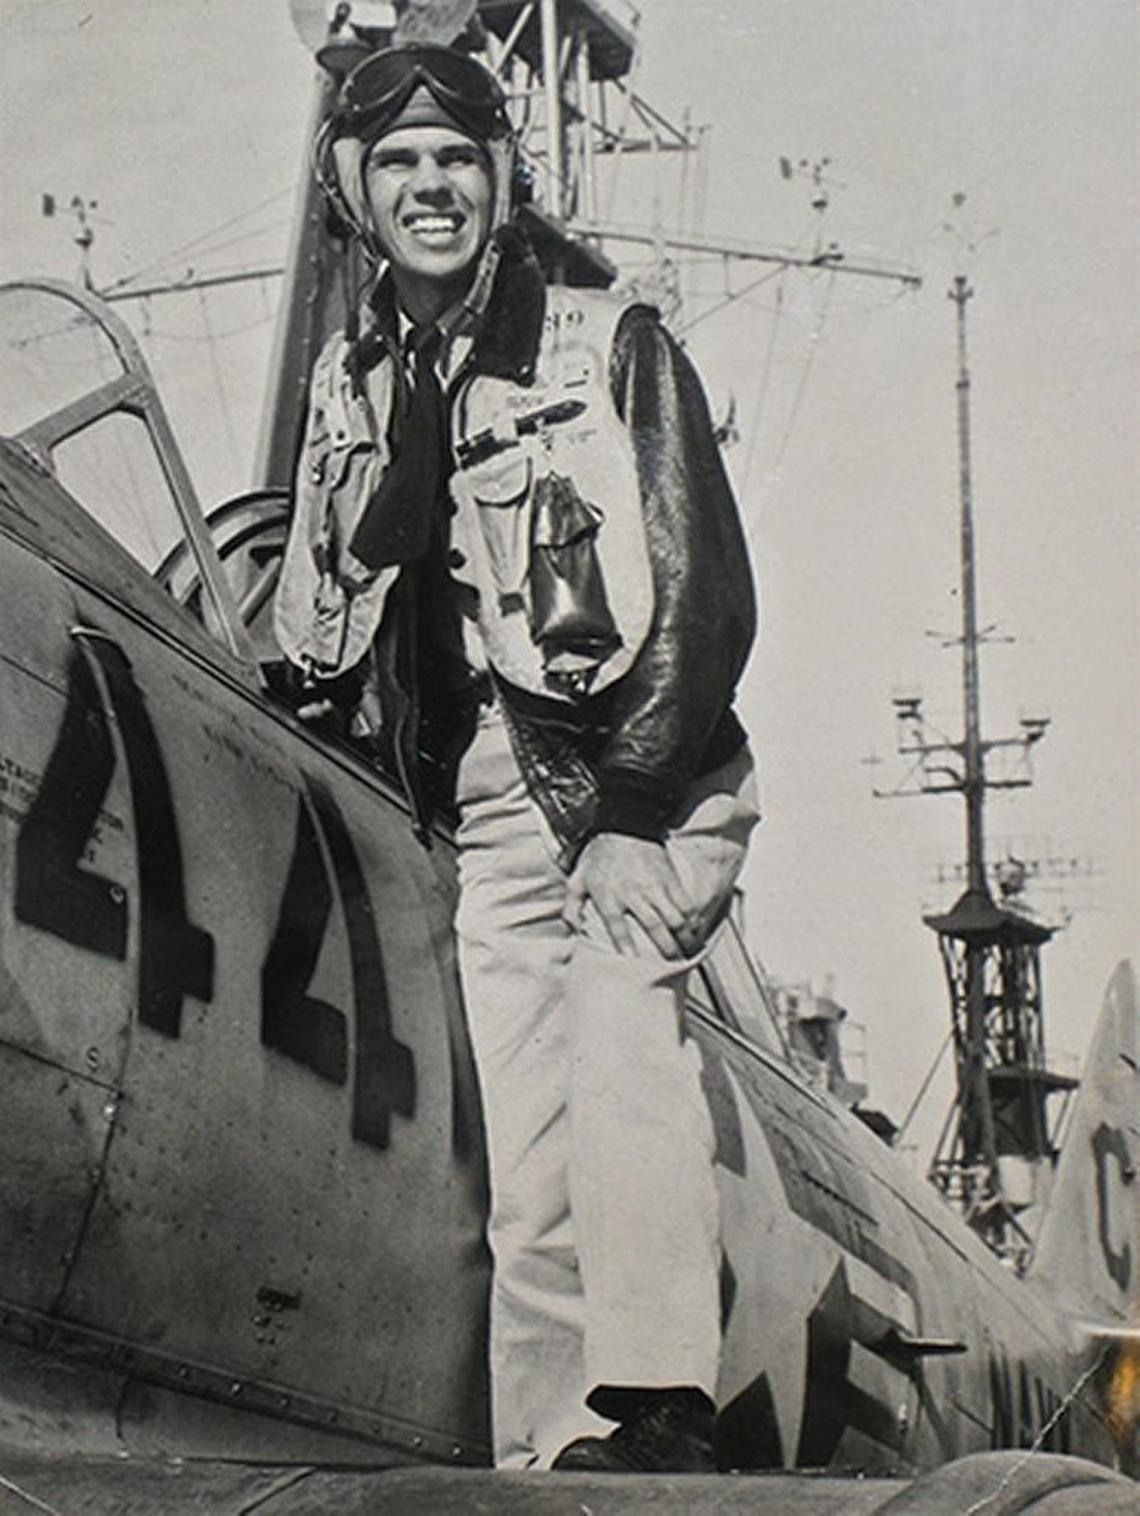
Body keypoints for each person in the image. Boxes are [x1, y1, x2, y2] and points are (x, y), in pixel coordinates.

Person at [274, 40, 759, 1474]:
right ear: (355, 192)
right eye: (400, 164)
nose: (432, 187)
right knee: (529, 1159)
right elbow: (327, 614)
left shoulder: (609, 339)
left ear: (501, 176)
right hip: (490, 802)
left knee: (620, 1057)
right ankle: (554, 1458)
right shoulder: (355, 380)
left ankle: (662, 1409)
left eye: (457, 160)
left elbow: (709, 593)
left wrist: (630, 809)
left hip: (634, 774)